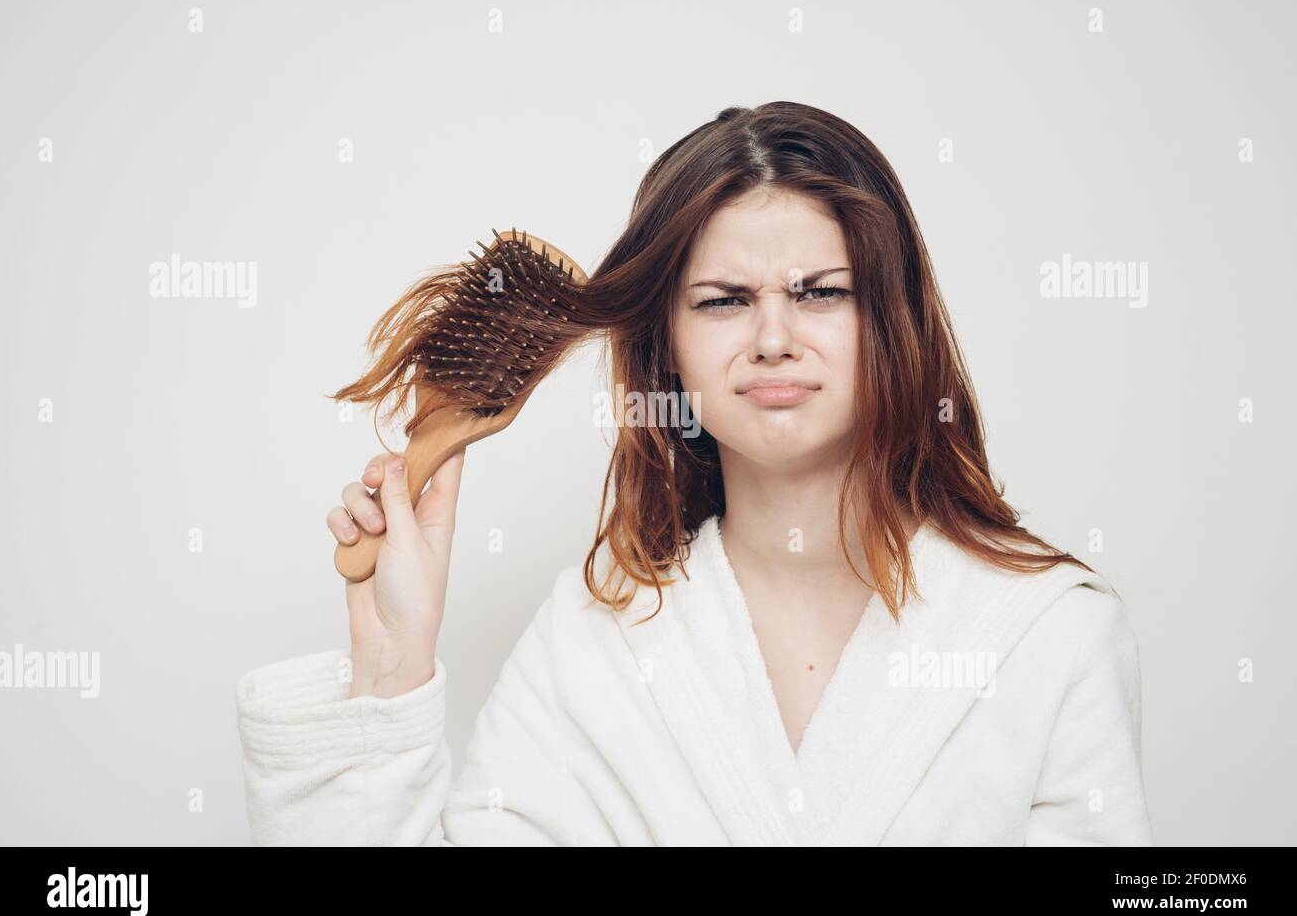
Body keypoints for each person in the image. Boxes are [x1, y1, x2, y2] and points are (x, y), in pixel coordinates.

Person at [235, 101, 1154, 846]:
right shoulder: (591, 641)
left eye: (821, 291)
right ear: (667, 347)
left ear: (891, 319)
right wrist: (391, 659)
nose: (773, 338)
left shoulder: (1048, 634)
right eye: (723, 301)